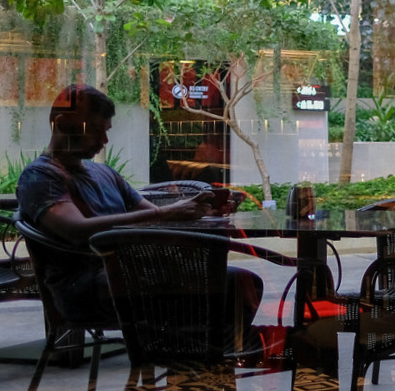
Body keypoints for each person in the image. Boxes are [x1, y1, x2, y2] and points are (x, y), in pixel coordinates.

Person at [16, 84, 259, 328]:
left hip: (129, 274)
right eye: (95, 130)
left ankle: (199, 350)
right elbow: (76, 230)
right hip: (85, 289)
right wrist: (166, 213)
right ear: (60, 124)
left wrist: (202, 211)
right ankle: (196, 349)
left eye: (106, 130)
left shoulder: (104, 173)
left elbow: (151, 215)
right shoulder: (41, 176)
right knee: (224, 288)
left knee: (242, 283)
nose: (104, 140)